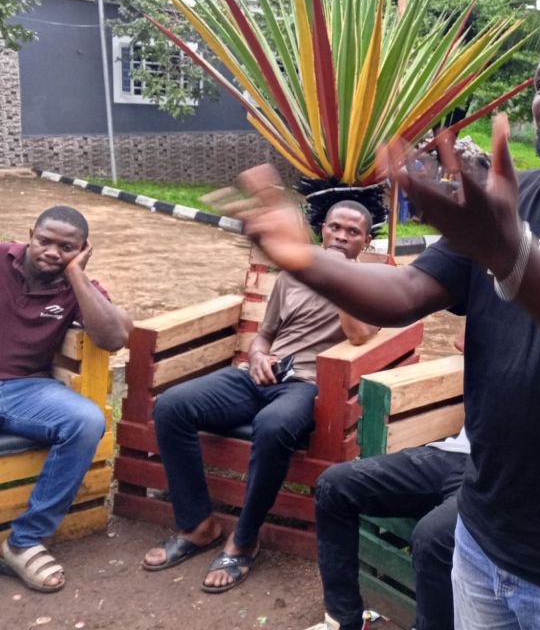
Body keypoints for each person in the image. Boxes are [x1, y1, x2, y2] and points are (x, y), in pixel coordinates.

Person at [234, 12, 540, 627]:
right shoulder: (517, 202)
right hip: (483, 540)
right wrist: (304, 258)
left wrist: (510, 255)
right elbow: (405, 292)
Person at [141, 200, 380, 593]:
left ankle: (244, 538)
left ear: (365, 241)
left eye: (352, 232)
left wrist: (337, 278)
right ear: (323, 229)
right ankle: (198, 524)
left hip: (309, 386)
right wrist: (256, 356)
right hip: (260, 376)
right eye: (335, 227)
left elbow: (359, 336)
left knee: (273, 426)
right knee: (172, 406)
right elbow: (266, 334)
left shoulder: (371, 283)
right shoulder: (292, 275)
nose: (341, 236)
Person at [0, 206, 133, 593]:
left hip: (25, 389)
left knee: (86, 420)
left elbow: (114, 337)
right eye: (44, 241)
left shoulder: (78, 287)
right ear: (30, 234)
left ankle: (24, 541)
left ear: (83, 250)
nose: (52, 252)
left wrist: (75, 275)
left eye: (66, 248)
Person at [307, 426, 469, 630]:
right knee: (332, 485)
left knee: (432, 537)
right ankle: (344, 622)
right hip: (456, 451)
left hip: (497, 473)